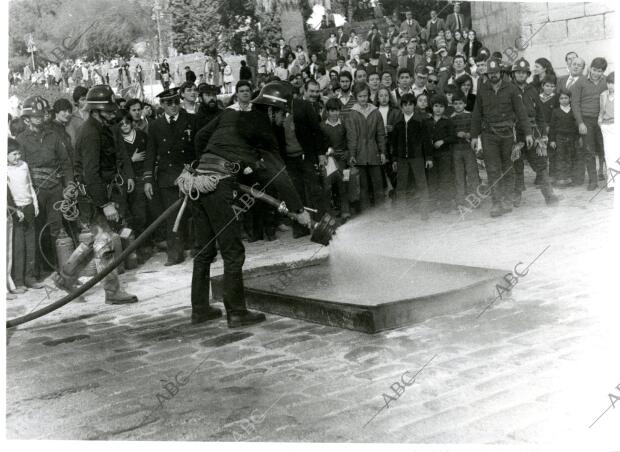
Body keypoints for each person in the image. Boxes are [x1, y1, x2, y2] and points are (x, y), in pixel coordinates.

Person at [190, 80, 310, 327]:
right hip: (219, 186)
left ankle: (200, 308)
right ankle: (236, 312)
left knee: (204, 250)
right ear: (272, 109)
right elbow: (278, 173)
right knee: (233, 251)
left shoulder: (231, 112)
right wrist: (299, 210)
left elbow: (201, 137)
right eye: (283, 113)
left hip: (198, 181)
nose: (283, 118)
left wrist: (215, 163)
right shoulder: (262, 126)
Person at [72, 84, 138, 304]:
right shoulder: (90, 132)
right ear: (95, 110)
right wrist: (105, 203)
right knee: (106, 243)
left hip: (99, 192)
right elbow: (91, 173)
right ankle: (112, 292)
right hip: (94, 196)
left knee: (95, 240)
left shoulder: (101, 128)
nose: (112, 114)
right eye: (108, 111)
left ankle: (64, 277)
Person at [17, 96, 73, 280]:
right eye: (37, 116)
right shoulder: (20, 141)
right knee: (36, 230)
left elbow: (65, 163)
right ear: (26, 119)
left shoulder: (53, 136)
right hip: (34, 191)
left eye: (43, 115)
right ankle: (38, 271)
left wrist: (69, 185)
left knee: (56, 228)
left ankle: (60, 268)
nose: (42, 119)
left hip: (55, 189)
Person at [471, 58, 532, 218]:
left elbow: (521, 112)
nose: (493, 75)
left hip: (507, 135)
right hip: (488, 135)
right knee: (492, 169)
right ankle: (496, 202)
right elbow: (477, 114)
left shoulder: (511, 88)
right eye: (490, 73)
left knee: (508, 167)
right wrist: (474, 136)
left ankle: (506, 199)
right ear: (487, 74)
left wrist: (528, 133)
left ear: (501, 73)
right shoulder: (483, 89)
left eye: (496, 72)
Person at [144, 87, 198, 266]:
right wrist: (148, 180)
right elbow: (150, 154)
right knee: (171, 216)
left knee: (196, 213)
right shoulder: (155, 126)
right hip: (167, 178)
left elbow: (198, 149)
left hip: (189, 174)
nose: (174, 106)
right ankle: (175, 254)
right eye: (169, 103)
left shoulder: (191, 120)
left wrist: (195, 170)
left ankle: (201, 249)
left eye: (176, 102)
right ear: (162, 105)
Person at [510, 57, 559, 207]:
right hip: (515, 132)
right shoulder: (509, 89)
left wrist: (543, 133)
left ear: (528, 74)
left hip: (533, 131)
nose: (521, 75)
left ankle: (549, 196)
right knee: (516, 165)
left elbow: (539, 114)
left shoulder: (532, 90)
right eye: (518, 72)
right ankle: (516, 196)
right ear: (513, 74)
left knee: (541, 165)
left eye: (524, 73)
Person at [115, 112, 151, 264]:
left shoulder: (141, 135)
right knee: (129, 216)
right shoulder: (118, 141)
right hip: (126, 180)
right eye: (121, 124)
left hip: (141, 178)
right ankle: (133, 250)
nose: (124, 126)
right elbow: (118, 160)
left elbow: (150, 153)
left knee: (141, 214)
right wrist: (131, 159)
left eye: (127, 123)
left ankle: (144, 247)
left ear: (131, 123)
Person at [345, 81, 387, 211]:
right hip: (359, 154)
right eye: (360, 96)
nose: (363, 99)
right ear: (355, 97)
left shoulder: (375, 112)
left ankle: (380, 212)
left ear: (369, 95)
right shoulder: (352, 114)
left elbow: (380, 134)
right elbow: (351, 137)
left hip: (373, 152)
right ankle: (366, 213)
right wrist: (352, 154)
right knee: (363, 187)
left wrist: (382, 152)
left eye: (365, 96)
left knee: (378, 184)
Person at [392, 93, 432, 218]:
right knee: (401, 185)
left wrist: (429, 158)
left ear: (414, 106)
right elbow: (394, 142)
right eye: (405, 105)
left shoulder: (420, 121)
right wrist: (394, 159)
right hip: (402, 158)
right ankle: (400, 212)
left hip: (417, 157)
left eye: (410, 105)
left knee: (421, 183)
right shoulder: (398, 122)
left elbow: (426, 141)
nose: (408, 107)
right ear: (401, 106)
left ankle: (424, 211)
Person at [7, 137, 40, 291]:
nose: (17, 157)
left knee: (31, 243)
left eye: (18, 153)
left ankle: (30, 277)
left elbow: (30, 185)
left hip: (28, 208)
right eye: (13, 154)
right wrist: (15, 210)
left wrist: (35, 203)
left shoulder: (24, 166)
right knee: (18, 246)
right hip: (16, 210)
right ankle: (19, 281)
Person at [571, 57, 608, 189]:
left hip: (603, 121)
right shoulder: (581, 82)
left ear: (603, 72)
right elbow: (575, 103)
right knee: (589, 150)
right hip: (586, 120)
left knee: (606, 149)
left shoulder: (605, 82)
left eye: (600, 71)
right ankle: (593, 181)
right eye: (594, 69)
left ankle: (611, 180)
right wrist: (580, 123)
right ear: (590, 68)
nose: (596, 73)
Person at [321, 98, 350, 220]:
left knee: (343, 185)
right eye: (332, 111)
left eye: (337, 110)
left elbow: (349, 140)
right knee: (327, 187)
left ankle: (345, 211)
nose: (335, 113)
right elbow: (320, 143)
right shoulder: (322, 126)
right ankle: (330, 213)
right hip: (328, 161)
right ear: (327, 112)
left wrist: (347, 152)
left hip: (341, 159)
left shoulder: (343, 124)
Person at [450, 92, 478, 209]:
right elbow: (449, 134)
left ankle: (475, 198)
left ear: (465, 104)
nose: (458, 106)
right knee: (459, 175)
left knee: (472, 174)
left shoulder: (470, 116)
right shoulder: (450, 118)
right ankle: (460, 200)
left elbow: (475, 130)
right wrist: (456, 134)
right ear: (452, 105)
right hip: (456, 150)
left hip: (468, 149)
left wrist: (469, 134)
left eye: (460, 103)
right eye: (455, 104)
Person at [549, 89, 579, 188]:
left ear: (570, 99)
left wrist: (577, 138)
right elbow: (552, 127)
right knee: (560, 158)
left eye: (566, 98)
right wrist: (552, 140)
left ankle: (569, 179)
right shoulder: (555, 111)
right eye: (561, 98)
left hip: (571, 138)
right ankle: (561, 179)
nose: (564, 100)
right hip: (559, 138)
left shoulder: (573, 111)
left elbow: (576, 126)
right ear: (558, 100)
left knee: (570, 157)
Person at [598, 71, 615, 192]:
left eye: (613, 83)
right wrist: (600, 122)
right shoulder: (603, 95)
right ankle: (612, 182)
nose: (610, 86)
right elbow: (601, 111)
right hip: (607, 126)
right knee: (609, 154)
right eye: (609, 83)